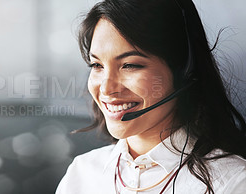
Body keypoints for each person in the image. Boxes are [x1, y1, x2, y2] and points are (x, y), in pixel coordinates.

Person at [56, 0, 246, 193]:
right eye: (97, 65)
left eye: (130, 65)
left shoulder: (232, 182)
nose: (106, 88)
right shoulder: (82, 174)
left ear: (184, 72)